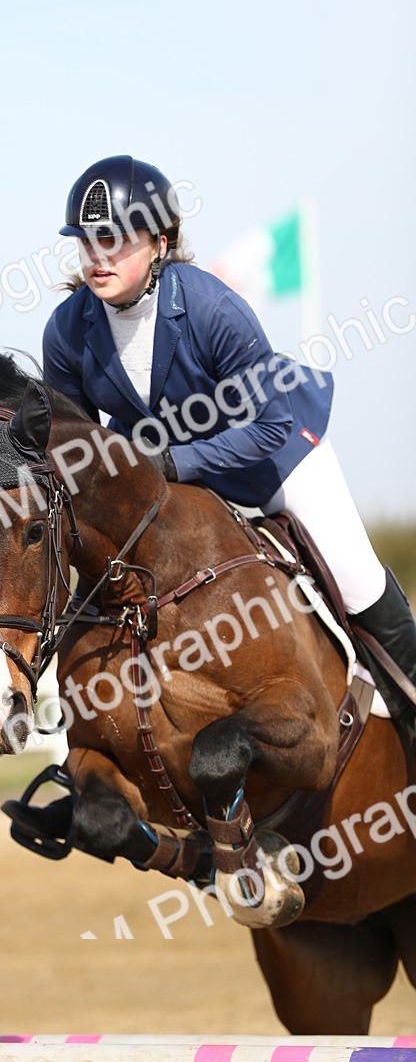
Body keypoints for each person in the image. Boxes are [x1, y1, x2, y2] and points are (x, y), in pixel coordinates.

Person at [41, 153, 416, 747]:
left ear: (159, 244)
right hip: (182, 488)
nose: (96, 256)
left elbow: (268, 428)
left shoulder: (211, 307)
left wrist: (170, 462)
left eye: (112, 240)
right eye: (85, 243)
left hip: (278, 459)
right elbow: (78, 456)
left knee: (357, 580)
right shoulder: (67, 329)